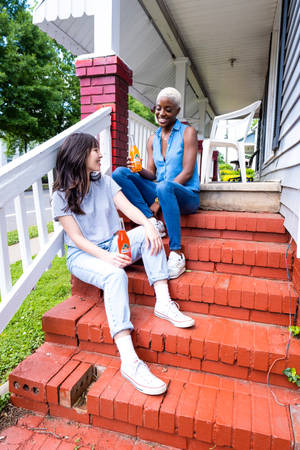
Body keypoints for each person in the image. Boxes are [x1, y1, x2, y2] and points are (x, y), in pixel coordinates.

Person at [51, 132, 195, 396]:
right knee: (116, 277)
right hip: (84, 255)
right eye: (95, 149)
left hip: (112, 243)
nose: (100, 154)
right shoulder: (61, 194)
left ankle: (163, 302)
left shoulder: (104, 182)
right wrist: (107, 258)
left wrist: (149, 225)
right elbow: (76, 239)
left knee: (146, 233)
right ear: (79, 154)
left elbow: (128, 209)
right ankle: (130, 360)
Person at [112, 87, 200, 279]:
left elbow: (186, 173)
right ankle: (151, 220)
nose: (161, 113)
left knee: (163, 186)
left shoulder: (188, 133)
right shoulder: (153, 138)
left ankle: (177, 253)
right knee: (120, 173)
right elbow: (152, 174)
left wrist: (158, 201)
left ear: (177, 111)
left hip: (186, 195)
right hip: (161, 189)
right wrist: (138, 169)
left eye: (168, 109)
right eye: (158, 108)